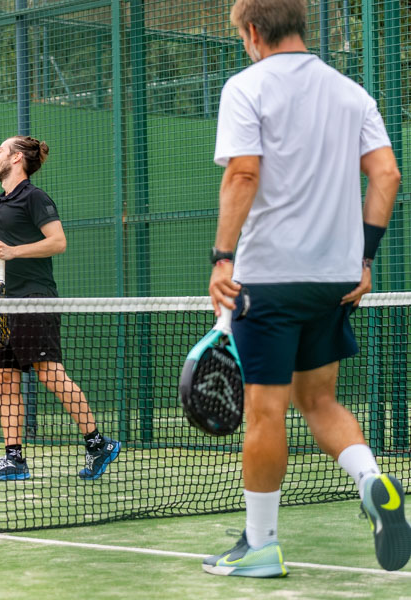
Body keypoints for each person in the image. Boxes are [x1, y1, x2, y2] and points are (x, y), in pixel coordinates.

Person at [204, 0, 409, 577]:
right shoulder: (351, 93)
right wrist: (363, 259)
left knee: (265, 412)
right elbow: (387, 174)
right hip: (333, 281)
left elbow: (244, 173)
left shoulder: (246, 87)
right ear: (298, 24)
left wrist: (222, 258)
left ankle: (261, 545)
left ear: (252, 32)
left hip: (268, 280)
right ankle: (371, 480)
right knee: (320, 401)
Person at [0, 135, 121, 482]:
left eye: (0, 151)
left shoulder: (35, 197)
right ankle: (14, 459)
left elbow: (58, 242)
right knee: (5, 378)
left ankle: (98, 443)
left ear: (17, 158)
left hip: (34, 299)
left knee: (49, 373)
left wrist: (13, 251)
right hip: (2, 305)